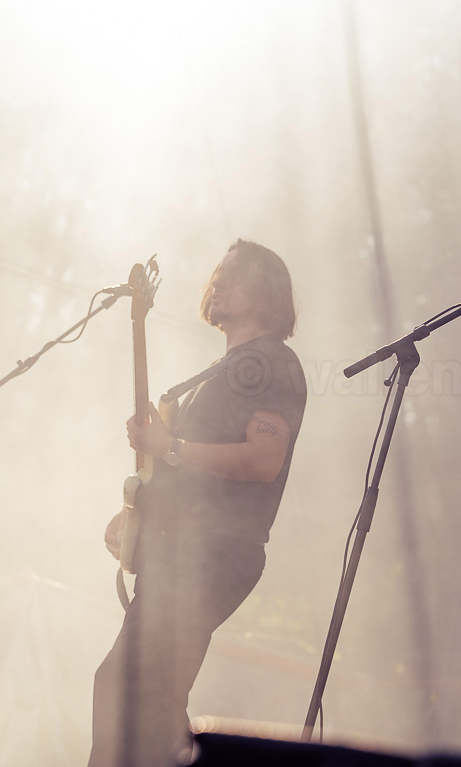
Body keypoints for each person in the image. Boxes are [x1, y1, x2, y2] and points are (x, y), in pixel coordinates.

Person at [89, 240, 307, 767]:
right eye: (219, 272)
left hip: (215, 551)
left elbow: (264, 459)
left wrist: (171, 447)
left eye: (235, 273)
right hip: (181, 551)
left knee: (125, 685)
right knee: (156, 703)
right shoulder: (218, 372)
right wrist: (138, 509)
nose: (219, 281)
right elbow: (179, 470)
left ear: (266, 291)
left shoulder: (271, 363)